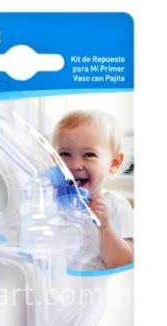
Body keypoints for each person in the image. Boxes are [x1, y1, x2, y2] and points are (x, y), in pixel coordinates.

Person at [53, 109, 134, 271]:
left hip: (96, 285)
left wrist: (105, 226)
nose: (75, 165)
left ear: (114, 163)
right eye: (65, 154)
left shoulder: (116, 206)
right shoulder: (49, 201)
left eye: (89, 154)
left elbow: (124, 264)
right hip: (55, 283)